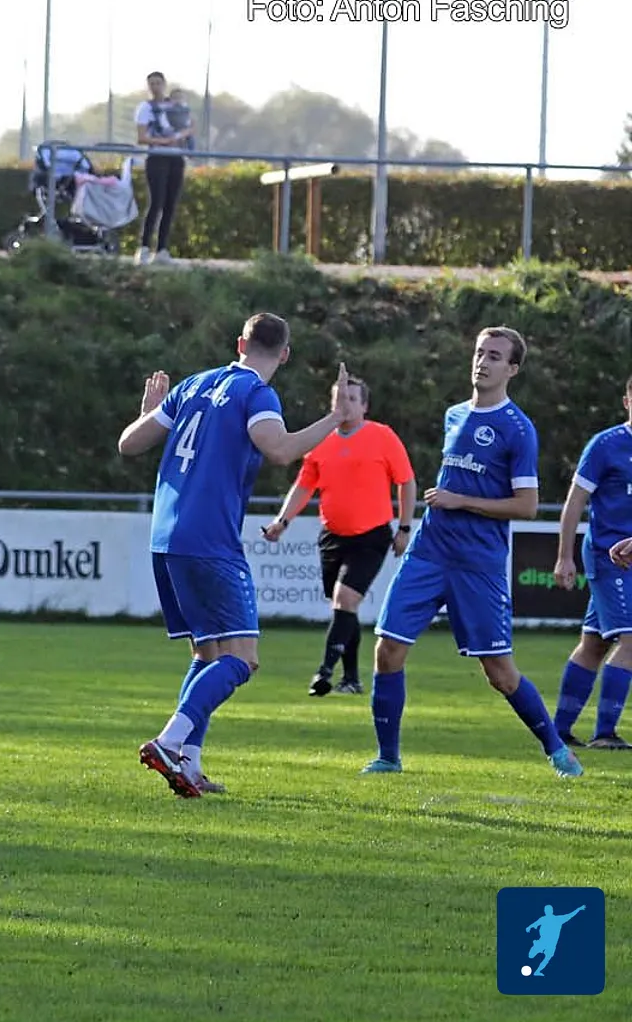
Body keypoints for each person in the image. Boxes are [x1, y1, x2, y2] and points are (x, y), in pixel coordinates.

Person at [117, 313, 343, 798]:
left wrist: (147, 411)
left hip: (167, 537)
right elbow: (278, 449)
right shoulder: (256, 394)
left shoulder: (194, 385)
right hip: (210, 539)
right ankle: (168, 742)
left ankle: (189, 764)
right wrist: (334, 419)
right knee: (243, 659)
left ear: (240, 343)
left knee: (209, 653)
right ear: (284, 354)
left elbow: (129, 443)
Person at [361, 328, 580, 777]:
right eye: (480, 353)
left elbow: (527, 505)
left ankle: (558, 751)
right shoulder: (454, 415)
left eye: (495, 356)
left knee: (500, 673)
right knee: (388, 649)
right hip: (430, 551)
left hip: (477, 563)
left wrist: (460, 500)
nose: (482, 362)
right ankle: (388, 758)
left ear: (512, 369)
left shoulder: (518, 428)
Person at [260, 376, 416, 697]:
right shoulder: (321, 441)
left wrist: (404, 527)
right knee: (344, 607)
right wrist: (282, 521)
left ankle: (325, 671)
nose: (345, 405)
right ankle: (352, 679)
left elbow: (406, 482)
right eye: (339, 399)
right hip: (332, 536)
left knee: (345, 599)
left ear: (365, 406)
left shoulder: (382, 436)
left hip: (371, 536)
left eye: (352, 399)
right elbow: (304, 486)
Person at [549, 377, 632, 751]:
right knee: (631, 640)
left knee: (594, 643)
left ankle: (560, 730)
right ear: (627, 401)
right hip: (608, 555)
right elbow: (574, 503)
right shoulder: (605, 445)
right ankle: (605, 733)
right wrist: (564, 556)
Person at [133, 70, 193, 266]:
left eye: (158, 83)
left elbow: (188, 127)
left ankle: (162, 250)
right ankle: (143, 248)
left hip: (176, 158)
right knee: (156, 202)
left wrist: (180, 137)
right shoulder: (145, 108)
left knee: (170, 204)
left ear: (164, 84)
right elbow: (142, 137)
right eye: (152, 84)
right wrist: (164, 141)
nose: (155, 87)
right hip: (157, 157)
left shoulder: (175, 106)